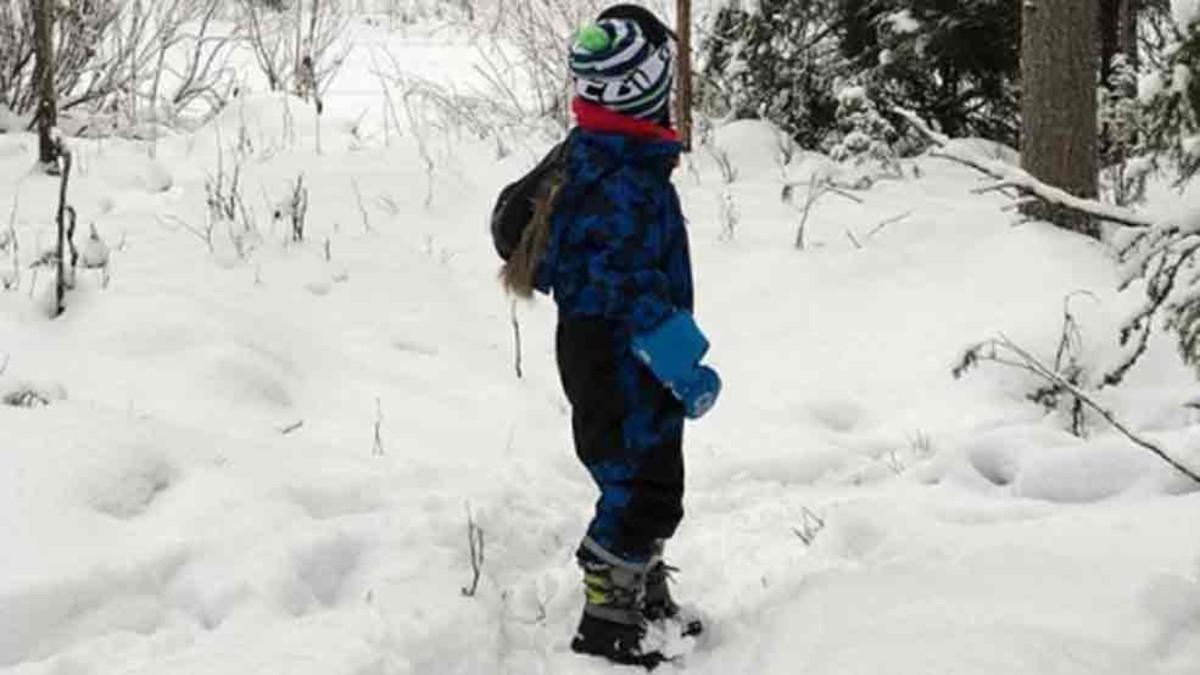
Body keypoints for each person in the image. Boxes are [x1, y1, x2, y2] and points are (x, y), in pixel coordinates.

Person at [530, 4, 721, 667]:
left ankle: (641, 587)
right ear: (647, 92)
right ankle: (608, 619)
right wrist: (681, 363)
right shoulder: (621, 181)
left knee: (650, 473)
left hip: (616, 353)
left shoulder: (601, 154)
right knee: (641, 487)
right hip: (618, 358)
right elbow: (626, 289)